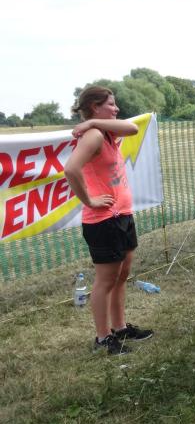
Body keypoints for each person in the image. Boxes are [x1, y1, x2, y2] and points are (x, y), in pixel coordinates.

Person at [64, 85, 153, 355]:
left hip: (122, 214)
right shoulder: (93, 136)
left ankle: (120, 327)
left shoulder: (105, 130)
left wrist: (92, 121)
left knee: (122, 275)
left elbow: (132, 128)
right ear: (95, 106)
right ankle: (103, 338)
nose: (117, 109)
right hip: (103, 220)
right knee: (106, 280)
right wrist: (89, 200)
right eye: (111, 104)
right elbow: (71, 169)